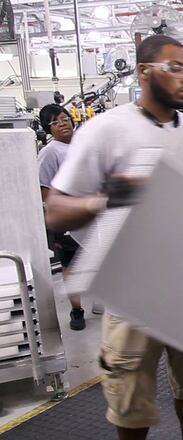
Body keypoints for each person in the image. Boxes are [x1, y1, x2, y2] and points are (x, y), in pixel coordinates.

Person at [44, 35, 183, 440]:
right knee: (131, 402)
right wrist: (107, 198)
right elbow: (55, 211)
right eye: (174, 68)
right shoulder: (104, 131)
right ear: (144, 72)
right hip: (131, 290)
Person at [37, 104, 86, 331]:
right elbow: (44, 189)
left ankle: (103, 302)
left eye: (64, 118)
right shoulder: (49, 152)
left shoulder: (84, 144)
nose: (63, 123)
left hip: (91, 213)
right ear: (49, 129)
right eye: (55, 122)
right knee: (71, 265)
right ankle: (77, 310)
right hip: (67, 217)